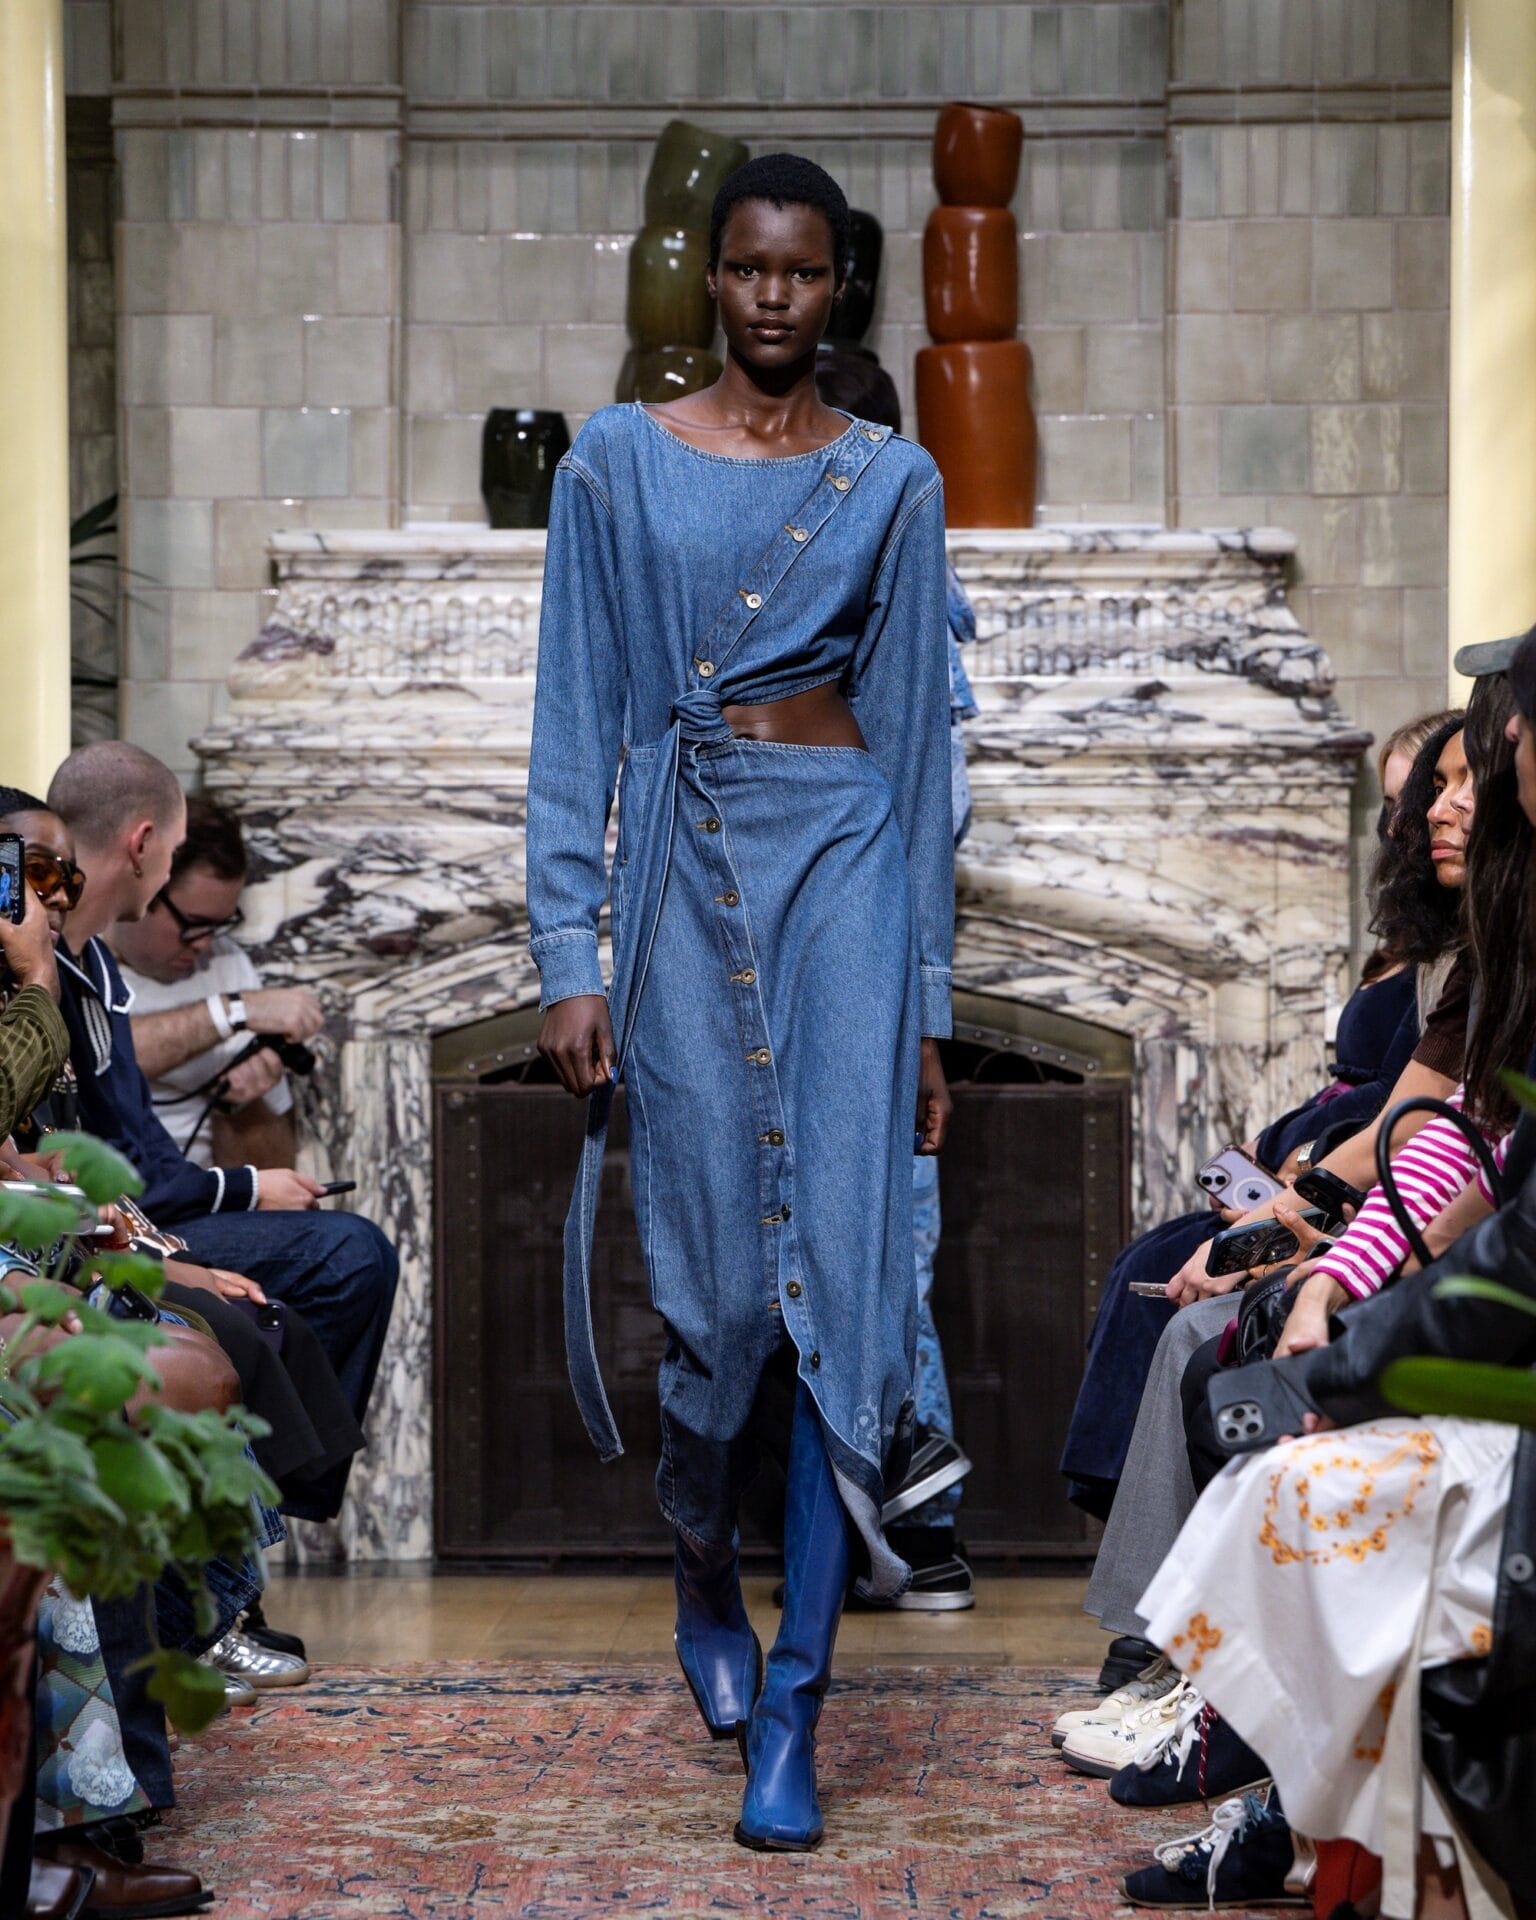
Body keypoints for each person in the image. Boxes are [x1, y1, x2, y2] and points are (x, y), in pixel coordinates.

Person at [526, 153, 954, 1853]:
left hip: (843, 868)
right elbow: (575, 720)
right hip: (677, 881)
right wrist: (567, 954)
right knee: (711, 1309)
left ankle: (796, 1705)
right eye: (750, 267)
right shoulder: (614, 463)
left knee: (843, 1282)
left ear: (840, 287)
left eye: (805, 272)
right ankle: (699, 1562)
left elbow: (913, 751)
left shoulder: (894, 479)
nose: (776, 295)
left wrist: (925, 1003)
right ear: (707, 276)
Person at [1061, 709, 1463, 1524]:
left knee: (1192, 1326)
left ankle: (1160, 1557)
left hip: (1405, 1218)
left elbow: (1425, 1132)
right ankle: (1134, 1534)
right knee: (1156, 1266)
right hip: (1370, 1193)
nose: (1421, 817)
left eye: (1454, 787)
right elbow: (1428, 1135)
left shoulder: (1481, 967)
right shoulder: (1434, 953)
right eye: (1416, 797)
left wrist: (1287, 1220)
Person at [45, 743, 399, 1432]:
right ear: (143, 845)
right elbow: (105, 1159)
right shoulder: (63, 970)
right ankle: (269, 1475)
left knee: (345, 1258)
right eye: (174, 854)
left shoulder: (93, 971)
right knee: (346, 1257)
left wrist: (252, 1113)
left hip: (151, 1205)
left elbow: (140, 1148)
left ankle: (268, 1477)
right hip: (106, 1223)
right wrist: (234, 1196)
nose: (204, 944)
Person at [814, 347, 975, 1610]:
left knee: (882, 1253)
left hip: (867, 980)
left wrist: (916, 1015)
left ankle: (914, 1517)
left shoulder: (904, 614)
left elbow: (927, 821)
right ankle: (858, 1519)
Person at [114, 796, 323, 1170]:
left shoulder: (226, 963)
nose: (204, 943)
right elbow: (98, 1062)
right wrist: (231, 1012)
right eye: (194, 923)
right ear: (145, 889)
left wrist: (240, 1105)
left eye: (218, 925)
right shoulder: (78, 952)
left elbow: (272, 1171)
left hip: (202, 1190)